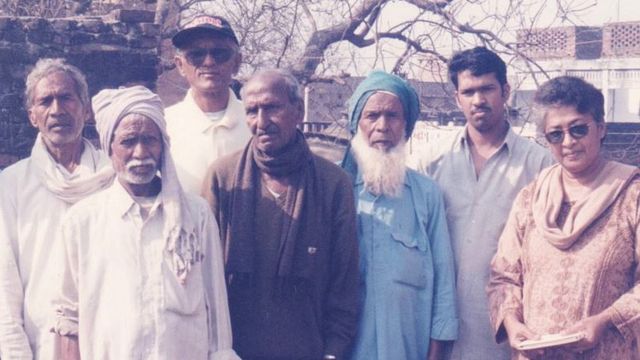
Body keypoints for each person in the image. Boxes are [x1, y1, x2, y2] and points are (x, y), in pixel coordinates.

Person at [51, 86, 238, 360]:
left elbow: (217, 312)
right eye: (128, 141)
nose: (140, 152)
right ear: (110, 147)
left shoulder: (195, 216)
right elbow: (68, 316)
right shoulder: (82, 222)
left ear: (163, 145)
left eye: (149, 140)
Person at [202, 69, 360, 360]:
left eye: (272, 108)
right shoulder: (222, 179)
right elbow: (205, 284)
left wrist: (333, 352)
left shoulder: (333, 184)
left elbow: (344, 284)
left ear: (298, 110)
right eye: (252, 111)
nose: (261, 122)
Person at [410, 46, 554, 360]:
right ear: (456, 98)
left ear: (505, 91)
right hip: (435, 334)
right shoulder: (429, 161)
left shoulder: (539, 167)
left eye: (487, 89)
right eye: (469, 91)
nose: (479, 100)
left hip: (503, 336)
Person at [487, 76, 640, 360]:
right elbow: (503, 277)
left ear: (601, 128)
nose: (568, 142)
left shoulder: (631, 196)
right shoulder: (530, 199)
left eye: (578, 129)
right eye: (556, 134)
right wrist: (513, 324)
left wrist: (605, 320)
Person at [0, 58, 114, 359]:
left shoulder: (114, 178)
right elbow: (4, 287)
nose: (56, 110)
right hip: (41, 344)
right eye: (45, 101)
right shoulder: (10, 186)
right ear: (32, 116)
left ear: (86, 109)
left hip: (112, 339)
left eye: (66, 98)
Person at [342, 71, 458, 360]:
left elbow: (443, 279)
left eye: (393, 116)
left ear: (406, 126)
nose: (383, 126)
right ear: (357, 123)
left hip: (409, 349)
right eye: (372, 116)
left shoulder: (427, 194)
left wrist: (436, 352)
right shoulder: (336, 189)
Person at [166, 15, 251, 194]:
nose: (209, 62)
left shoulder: (256, 123)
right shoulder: (163, 125)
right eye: (196, 55)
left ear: (236, 62)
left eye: (219, 53)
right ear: (180, 65)